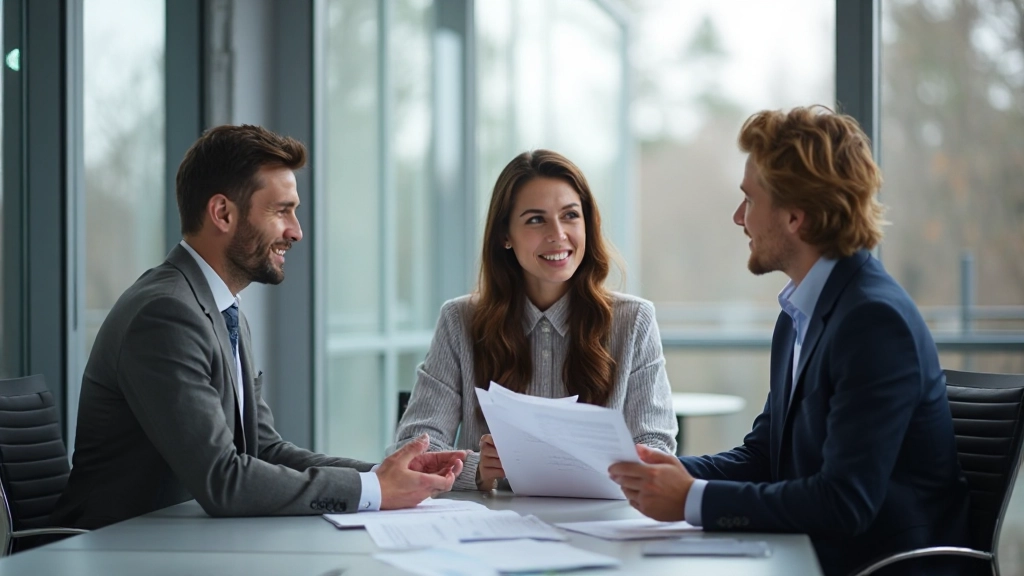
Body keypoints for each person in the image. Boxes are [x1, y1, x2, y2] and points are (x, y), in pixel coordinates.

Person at [608, 106, 973, 576]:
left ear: (796, 217)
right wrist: (662, 473)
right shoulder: (801, 313)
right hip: (811, 555)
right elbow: (766, 456)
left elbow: (844, 502)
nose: (739, 217)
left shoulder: (874, 322)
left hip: (878, 567)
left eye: (749, 200)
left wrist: (692, 499)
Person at [52, 125, 465, 529]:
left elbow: (263, 449)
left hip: (186, 541)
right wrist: (373, 490)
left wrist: (384, 474)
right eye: (281, 210)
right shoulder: (166, 315)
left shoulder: (219, 308)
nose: (296, 231)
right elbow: (224, 480)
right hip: (120, 549)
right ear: (223, 213)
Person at [390, 149, 677, 492]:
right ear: (505, 235)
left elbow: (657, 448)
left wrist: (608, 462)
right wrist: (479, 470)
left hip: (601, 518)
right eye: (536, 220)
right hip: (490, 521)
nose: (558, 234)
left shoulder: (634, 321)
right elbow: (414, 451)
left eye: (570, 215)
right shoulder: (459, 321)